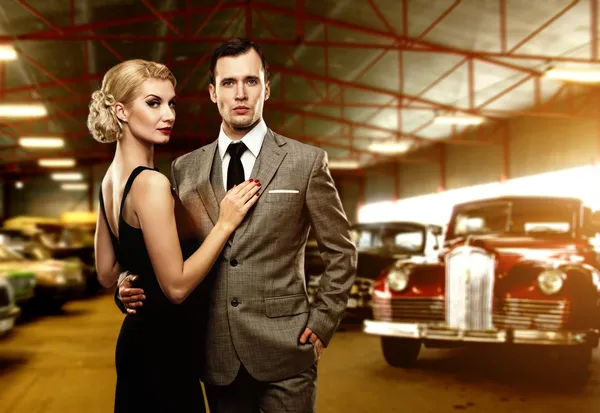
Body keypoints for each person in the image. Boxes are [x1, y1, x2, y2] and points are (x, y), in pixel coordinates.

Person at [117, 39, 358, 413]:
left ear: (266, 88)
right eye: (229, 83)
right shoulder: (184, 168)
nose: (241, 93)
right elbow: (170, 252)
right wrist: (126, 284)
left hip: (287, 350)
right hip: (215, 354)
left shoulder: (305, 162)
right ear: (213, 92)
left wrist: (324, 322)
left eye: (251, 81)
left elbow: (340, 251)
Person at [89, 58, 260, 413]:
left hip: (138, 344)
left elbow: (106, 273)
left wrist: (126, 282)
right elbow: (177, 287)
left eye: (171, 103)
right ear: (120, 111)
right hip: (163, 351)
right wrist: (225, 223)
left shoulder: (109, 180)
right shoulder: (151, 184)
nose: (168, 114)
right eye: (153, 103)